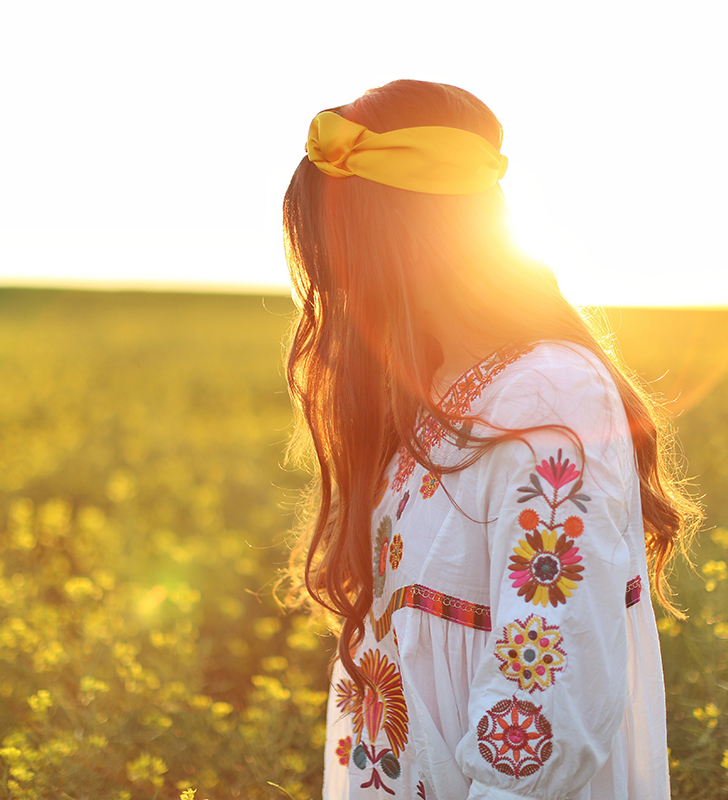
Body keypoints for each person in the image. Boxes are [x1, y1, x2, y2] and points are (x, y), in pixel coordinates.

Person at [282, 80, 699, 800]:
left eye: (336, 249)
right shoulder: (431, 393)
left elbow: (547, 698)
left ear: (396, 239)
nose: (330, 286)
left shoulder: (545, 395)